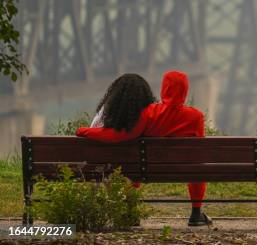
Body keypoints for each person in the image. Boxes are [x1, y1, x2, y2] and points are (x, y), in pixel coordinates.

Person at [76, 71, 212, 226]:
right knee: (196, 166)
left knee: (134, 163)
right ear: (185, 90)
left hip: (145, 169)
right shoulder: (196, 116)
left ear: (164, 88)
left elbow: (119, 135)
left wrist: (84, 131)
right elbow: (199, 150)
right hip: (182, 169)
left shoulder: (148, 113)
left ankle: (131, 212)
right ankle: (196, 214)